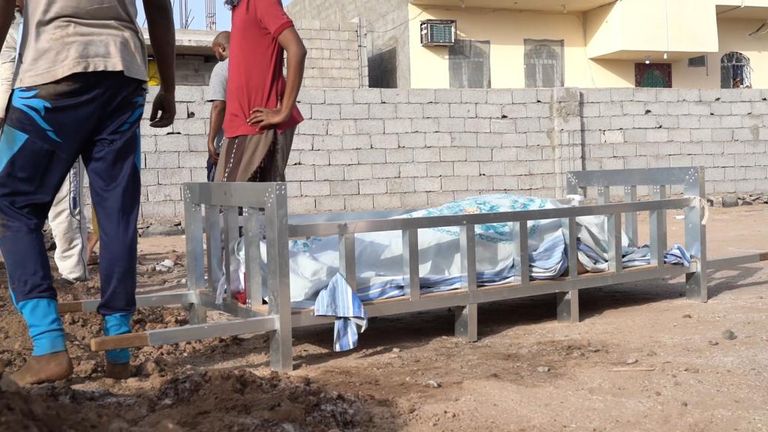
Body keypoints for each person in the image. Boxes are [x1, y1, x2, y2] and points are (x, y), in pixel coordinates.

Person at [0, 0, 176, 385]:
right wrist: (169, 86)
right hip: (123, 74)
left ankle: (48, 348)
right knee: (116, 215)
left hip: (54, 69)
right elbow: (159, 7)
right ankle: (118, 348)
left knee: (11, 206)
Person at [0, 0, 90, 285]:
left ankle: (72, 275)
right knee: (15, 205)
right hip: (14, 128)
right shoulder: (11, 30)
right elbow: (4, 79)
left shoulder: (60, 23)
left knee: (65, 204)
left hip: (57, 125)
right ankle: (25, 275)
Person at [216, 0, 306, 183]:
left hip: (259, 126)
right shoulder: (239, 8)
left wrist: (284, 111)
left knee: (248, 206)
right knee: (229, 205)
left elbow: (297, 49)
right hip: (241, 126)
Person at [206, 31, 230, 182]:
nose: (216, 56)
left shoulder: (222, 68)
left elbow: (218, 106)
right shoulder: (252, 65)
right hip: (254, 144)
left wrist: (211, 141)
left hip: (227, 144)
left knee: (219, 198)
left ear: (221, 48)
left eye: (215, 52)